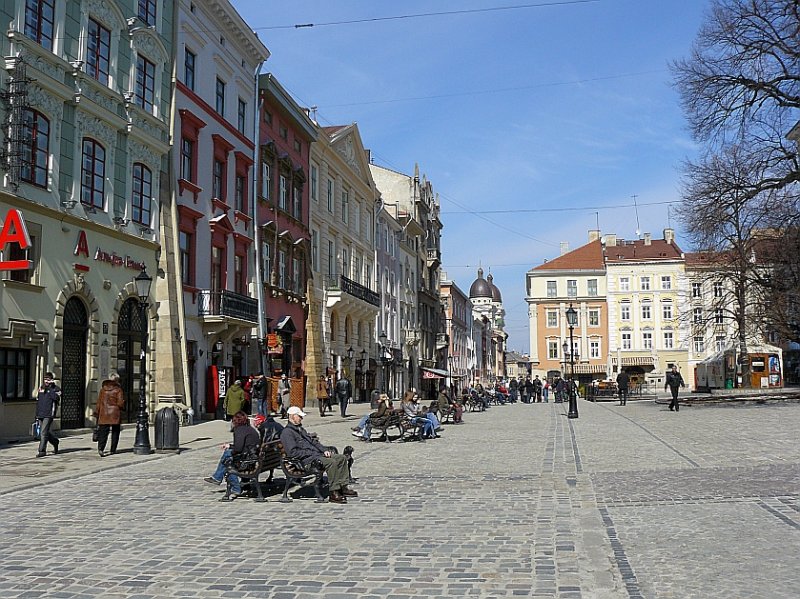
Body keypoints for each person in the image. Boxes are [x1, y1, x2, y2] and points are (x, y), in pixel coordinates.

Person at [280, 406, 357, 504]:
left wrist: (324, 450)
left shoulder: (300, 429)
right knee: (331, 462)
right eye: (299, 416)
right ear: (292, 416)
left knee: (341, 458)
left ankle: (343, 487)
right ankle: (334, 492)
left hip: (316, 456)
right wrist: (313, 453)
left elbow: (313, 442)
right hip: (306, 461)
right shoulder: (287, 433)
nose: (301, 418)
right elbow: (293, 453)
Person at [204, 411, 260, 500]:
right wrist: (229, 446)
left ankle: (234, 487)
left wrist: (230, 451)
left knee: (228, 462)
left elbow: (238, 449)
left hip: (248, 461)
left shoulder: (239, 430)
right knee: (228, 454)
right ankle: (217, 478)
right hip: (254, 458)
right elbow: (243, 445)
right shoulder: (249, 429)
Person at [94, 373, 124, 457]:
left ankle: (101, 448)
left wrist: (97, 412)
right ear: (117, 380)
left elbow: (99, 402)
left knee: (103, 431)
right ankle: (113, 449)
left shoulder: (103, 389)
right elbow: (120, 403)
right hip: (115, 413)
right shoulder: (118, 390)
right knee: (115, 431)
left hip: (103, 413)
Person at [35, 372, 61, 458]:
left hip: (49, 414)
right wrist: (36, 414)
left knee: (43, 433)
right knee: (45, 432)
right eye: (45, 379)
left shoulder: (56, 389)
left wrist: (50, 389)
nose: (46, 381)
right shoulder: (41, 388)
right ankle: (55, 441)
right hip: (40, 413)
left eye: (48, 379)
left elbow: (56, 398)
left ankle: (42, 451)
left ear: (52, 380)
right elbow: (38, 401)